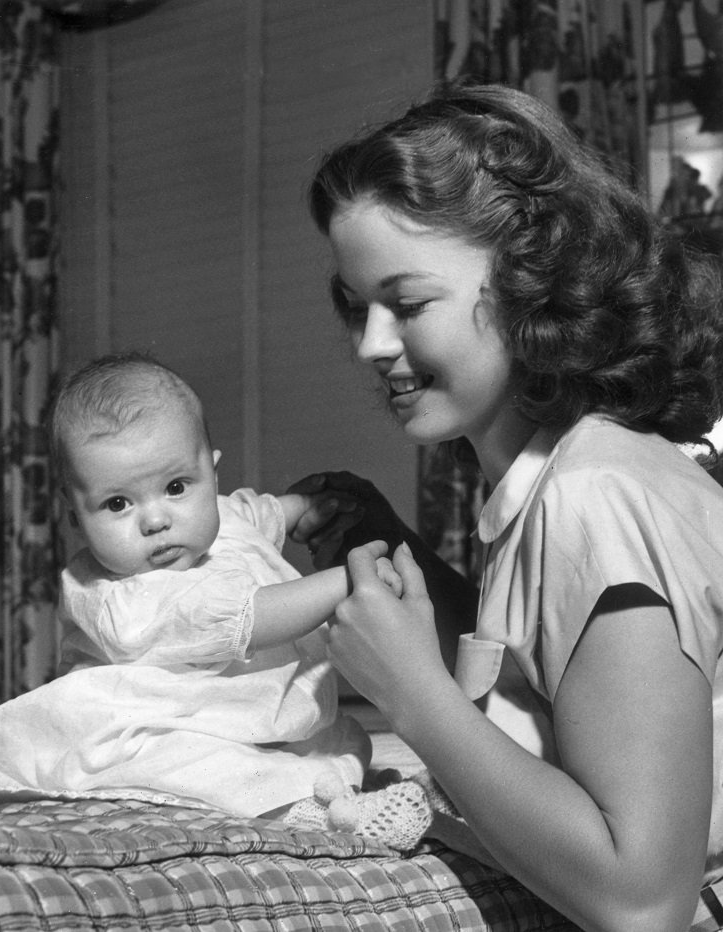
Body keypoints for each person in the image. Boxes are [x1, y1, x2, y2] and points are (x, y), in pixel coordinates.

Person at [290, 82, 723, 931]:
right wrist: (388, 547)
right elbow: (549, 694)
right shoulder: (557, 476)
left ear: (531, 281)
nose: (371, 346)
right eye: (355, 306)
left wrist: (413, 692)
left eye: (407, 304)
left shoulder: (595, 494)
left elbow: (645, 902)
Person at [0, 352, 428, 844]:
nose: (155, 519)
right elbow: (253, 618)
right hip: (156, 727)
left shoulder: (215, 518)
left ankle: (325, 789)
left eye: (174, 486)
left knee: (339, 743)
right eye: (117, 503)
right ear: (74, 516)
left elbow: (255, 514)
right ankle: (309, 815)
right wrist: (346, 581)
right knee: (197, 768)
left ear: (211, 476)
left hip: (259, 720)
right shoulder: (119, 599)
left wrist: (307, 506)